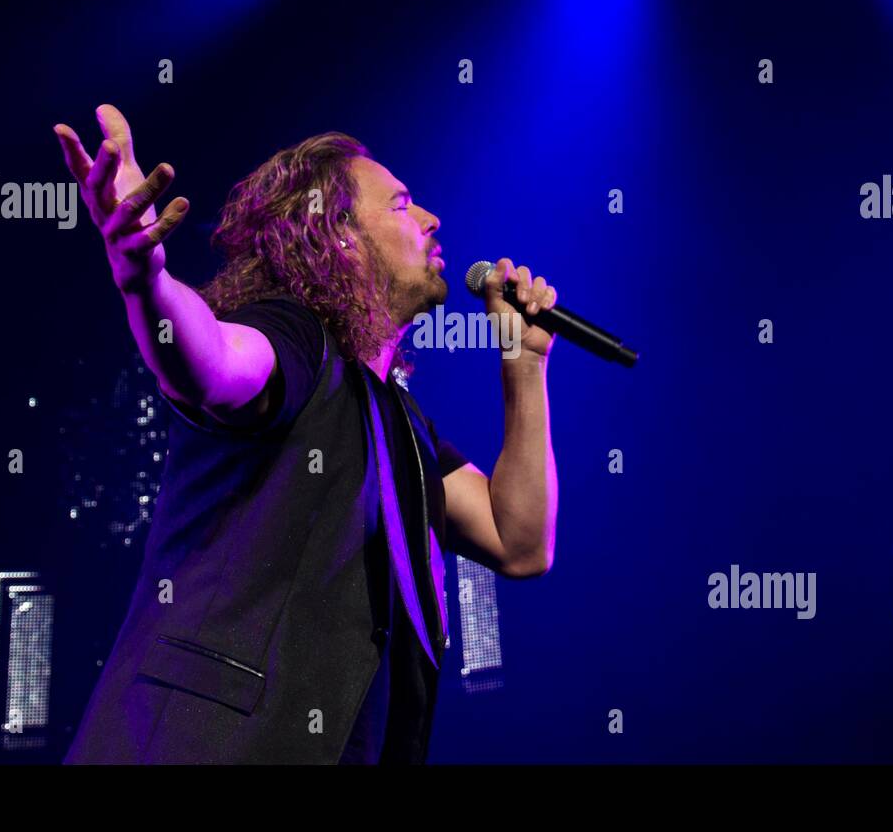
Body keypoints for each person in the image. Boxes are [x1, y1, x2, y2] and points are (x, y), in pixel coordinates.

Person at [53, 105, 559, 764]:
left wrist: (525, 364)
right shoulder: (293, 339)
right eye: (402, 204)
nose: (432, 219)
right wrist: (144, 279)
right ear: (338, 235)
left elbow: (519, 539)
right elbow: (211, 360)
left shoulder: (400, 423)